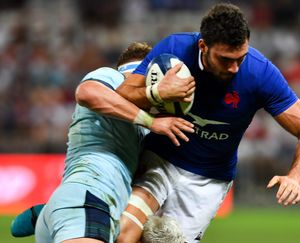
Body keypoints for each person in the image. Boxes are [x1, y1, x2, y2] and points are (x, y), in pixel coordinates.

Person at [116, 3, 300, 243]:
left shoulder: (260, 74)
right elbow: (122, 93)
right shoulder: (175, 50)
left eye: (240, 58)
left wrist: (295, 177)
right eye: (225, 59)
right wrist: (157, 93)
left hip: (209, 180)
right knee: (124, 234)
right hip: (161, 161)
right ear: (203, 46)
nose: (234, 68)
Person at [33, 42, 195, 243]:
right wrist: (152, 120)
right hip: (90, 198)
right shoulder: (113, 78)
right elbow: (87, 93)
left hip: (81, 206)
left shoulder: (136, 120)